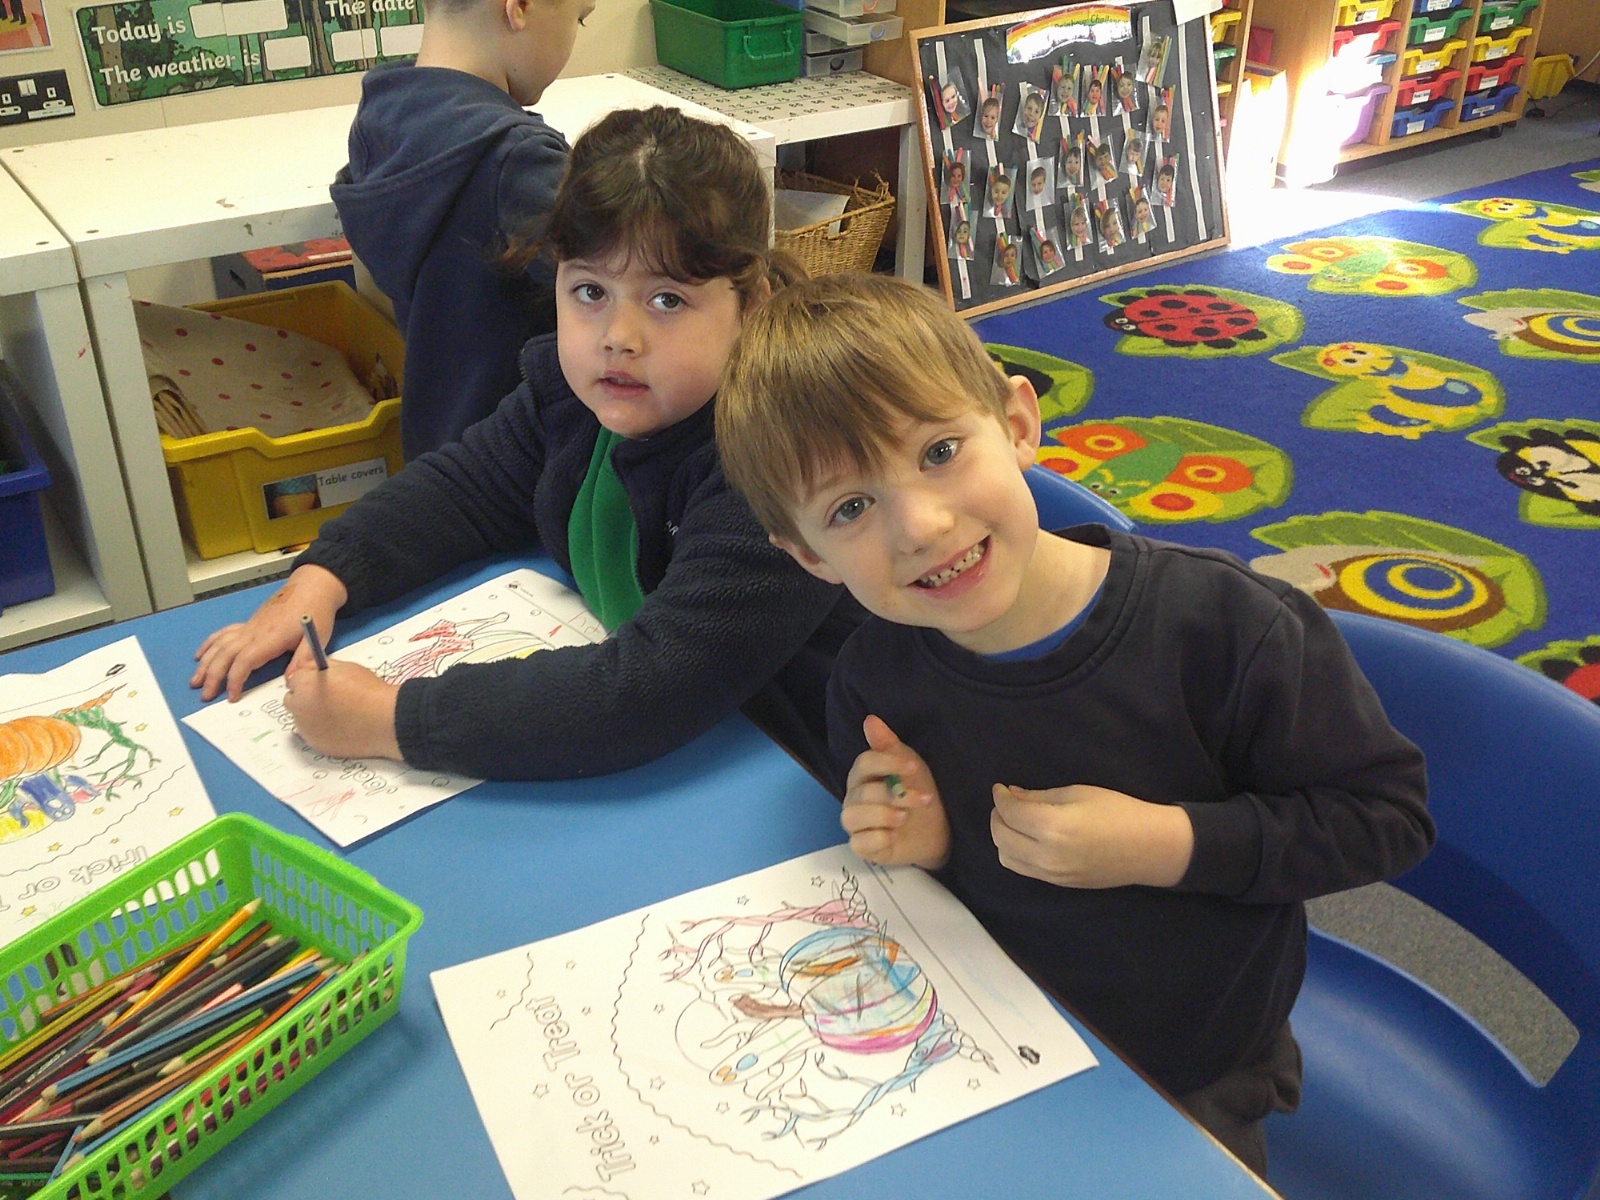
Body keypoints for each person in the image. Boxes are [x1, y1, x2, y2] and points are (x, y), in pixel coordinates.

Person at [714, 272, 1434, 1179]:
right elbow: (946, 886)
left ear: (1018, 422)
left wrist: (1165, 843)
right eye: (850, 509)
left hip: (1193, 1068)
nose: (921, 526)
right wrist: (928, 846)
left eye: (939, 451)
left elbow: (1387, 818)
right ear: (807, 556)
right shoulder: (872, 677)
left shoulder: (1225, 628)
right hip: (992, 1041)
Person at [192, 108, 862, 781]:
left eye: (667, 301)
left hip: (800, 769)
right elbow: (464, 488)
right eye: (591, 291)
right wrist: (322, 578)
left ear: (752, 305)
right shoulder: (573, 400)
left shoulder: (781, 469)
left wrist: (391, 719)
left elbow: (647, 691)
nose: (619, 337)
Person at [331, 0, 593, 459]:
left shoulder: (384, 119)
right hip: (520, 471)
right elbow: (636, 280)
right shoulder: (518, 162)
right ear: (519, 7)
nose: (575, 37)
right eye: (580, 18)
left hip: (439, 456)